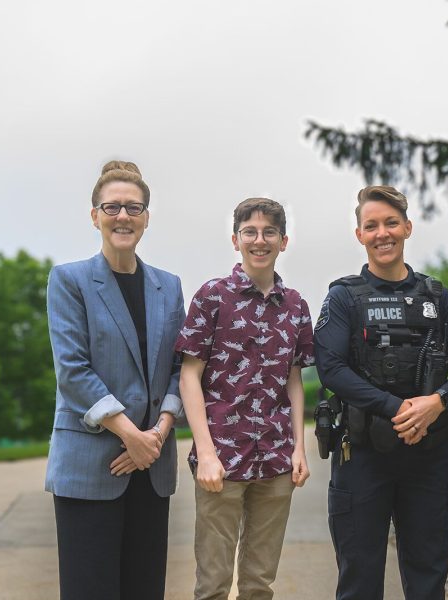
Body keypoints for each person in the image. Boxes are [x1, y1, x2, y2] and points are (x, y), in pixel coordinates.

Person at [314, 185, 448, 600]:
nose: (382, 233)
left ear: (407, 228)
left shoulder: (438, 298)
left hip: (428, 457)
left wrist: (436, 402)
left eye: (391, 223)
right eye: (371, 226)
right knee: (360, 578)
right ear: (359, 235)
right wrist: (399, 409)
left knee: (428, 578)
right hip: (363, 455)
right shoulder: (343, 298)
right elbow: (331, 367)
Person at [45, 160, 185, 600]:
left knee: (145, 591)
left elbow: (182, 369)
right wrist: (131, 435)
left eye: (133, 207)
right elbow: (73, 370)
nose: (123, 216)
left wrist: (157, 435)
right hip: (90, 465)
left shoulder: (169, 285)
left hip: (152, 467)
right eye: (112, 207)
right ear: (95, 216)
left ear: (146, 218)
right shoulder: (69, 281)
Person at [176, 197, 315, 600]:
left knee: (259, 583)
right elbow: (189, 375)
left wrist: (299, 449)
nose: (260, 240)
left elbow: (293, 380)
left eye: (269, 232)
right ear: (235, 240)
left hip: (275, 457)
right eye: (250, 232)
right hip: (221, 456)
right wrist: (204, 452)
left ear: (283, 241)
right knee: (214, 583)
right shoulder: (213, 296)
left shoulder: (296, 306)